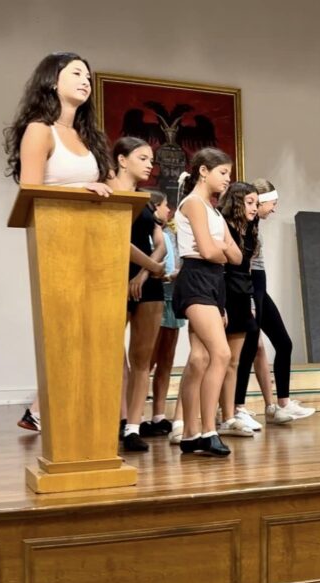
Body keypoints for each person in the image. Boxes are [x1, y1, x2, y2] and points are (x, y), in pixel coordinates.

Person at [4, 52, 113, 431]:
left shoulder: (89, 137)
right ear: (53, 80)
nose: (85, 81)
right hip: (57, 244)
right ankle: (50, 413)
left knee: (92, 335)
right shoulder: (40, 130)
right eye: (76, 73)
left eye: (88, 76)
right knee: (65, 333)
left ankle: (64, 413)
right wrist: (80, 190)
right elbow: (30, 193)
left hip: (96, 243)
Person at [172, 148, 240, 456]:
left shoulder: (214, 212)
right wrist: (219, 248)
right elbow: (211, 252)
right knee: (221, 353)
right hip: (197, 278)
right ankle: (209, 430)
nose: (227, 179)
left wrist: (219, 247)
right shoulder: (193, 203)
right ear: (203, 171)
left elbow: (235, 256)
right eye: (223, 172)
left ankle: (189, 434)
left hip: (215, 282)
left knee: (199, 359)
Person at [232, 179, 315, 429]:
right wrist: (249, 298)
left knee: (283, 343)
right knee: (249, 347)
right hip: (249, 286)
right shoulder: (244, 224)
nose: (275, 209)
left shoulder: (254, 224)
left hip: (260, 285)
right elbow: (244, 264)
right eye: (273, 204)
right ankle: (237, 407)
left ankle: (283, 402)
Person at [109, 137, 167, 452]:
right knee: (113, 354)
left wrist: (145, 272)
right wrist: (151, 266)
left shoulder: (145, 199)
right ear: (122, 159)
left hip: (147, 283)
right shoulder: (108, 188)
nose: (149, 165)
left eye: (151, 159)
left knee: (142, 359)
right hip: (113, 276)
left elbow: (160, 242)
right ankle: (118, 419)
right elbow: (117, 238)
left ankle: (133, 426)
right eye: (143, 158)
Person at [216, 182, 262, 438]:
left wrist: (252, 301)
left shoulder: (250, 229)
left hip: (242, 293)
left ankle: (229, 416)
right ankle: (207, 415)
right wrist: (219, 305)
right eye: (250, 202)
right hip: (224, 293)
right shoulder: (224, 226)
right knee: (215, 359)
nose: (255, 208)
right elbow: (220, 267)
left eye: (257, 203)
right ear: (236, 202)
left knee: (234, 361)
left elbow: (248, 269)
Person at [149, 190, 183, 440]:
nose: (168, 210)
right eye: (164, 205)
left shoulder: (170, 234)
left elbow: (174, 261)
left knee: (167, 359)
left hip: (173, 297)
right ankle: (131, 417)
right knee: (148, 359)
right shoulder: (148, 233)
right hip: (156, 296)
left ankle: (158, 415)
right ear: (154, 208)